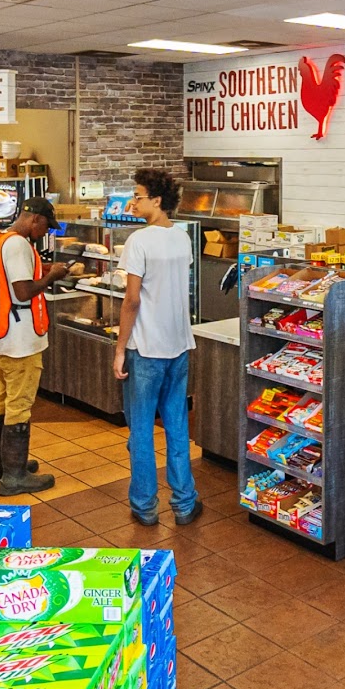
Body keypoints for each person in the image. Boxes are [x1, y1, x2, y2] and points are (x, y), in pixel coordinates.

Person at [113, 168, 200, 527]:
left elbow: (132, 300)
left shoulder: (139, 241)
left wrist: (120, 348)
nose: (133, 202)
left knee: (142, 432)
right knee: (177, 427)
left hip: (145, 349)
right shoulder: (182, 238)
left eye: (138, 196)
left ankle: (145, 507)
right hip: (179, 346)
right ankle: (184, 504)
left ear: (157, 200)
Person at [0, 197, 66, 495]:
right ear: (34, 220)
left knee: (2, 399)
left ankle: (0, 465)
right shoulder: (18, 244)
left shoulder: (1, 240)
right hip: (19, 341)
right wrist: (52, 276)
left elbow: (15, 275)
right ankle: (14, 476)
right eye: (46, 227)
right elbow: (22, 291)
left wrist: (45, 267)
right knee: (19, 405)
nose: (45, 233)